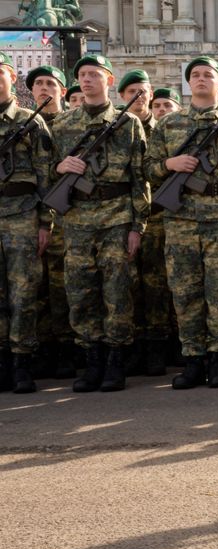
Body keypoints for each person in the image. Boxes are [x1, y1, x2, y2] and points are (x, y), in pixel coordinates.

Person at [145, 56, 218, 389]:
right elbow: (148, 171)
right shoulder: (169, 125)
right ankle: (193, 359)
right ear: (188, 83)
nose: (202, 79)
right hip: (181, 220)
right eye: (196, 75)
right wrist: (170, 162)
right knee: (185, 292)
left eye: (209, 75)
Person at [51, 54, 151, 393]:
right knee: (80, 293)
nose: (88, 79)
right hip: (77, 220)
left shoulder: (127, 124)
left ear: (109, 81)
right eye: (83, 74)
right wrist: (60, 167)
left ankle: (114, 361)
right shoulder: (62, 125)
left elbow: (141, 178)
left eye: (95, 74)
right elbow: (46, 171)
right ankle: (91, 359)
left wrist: (138, 226)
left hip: (117, 218)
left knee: (117, 293)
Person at [0, 53, 54, 394]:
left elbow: (46, 173)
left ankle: (21, 363)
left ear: (11, 77)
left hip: (22, 214)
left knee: (23, 293)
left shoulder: (30, 120)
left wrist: (45, 222)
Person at [25, 65, 75, 381]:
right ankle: (43, 350)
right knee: (36, 288)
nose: (44, 88)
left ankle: (69, 353)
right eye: (39, 84)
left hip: (67, 219)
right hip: (29, 217)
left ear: (63, 90)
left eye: (51, 83)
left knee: (64, 288)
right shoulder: (26, 125)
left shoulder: (73, 125)